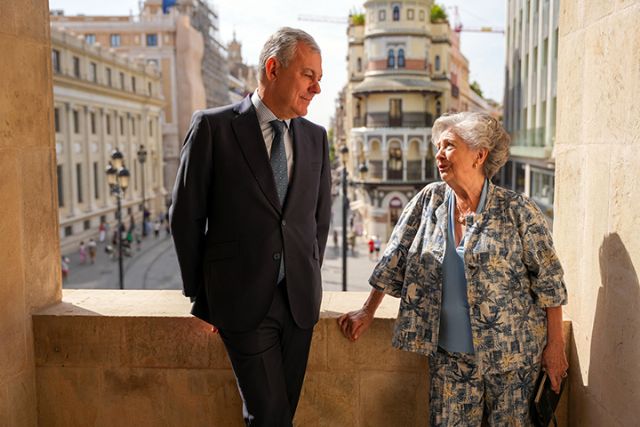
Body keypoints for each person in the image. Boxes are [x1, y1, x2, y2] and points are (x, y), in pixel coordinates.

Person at [338, 112, 568, 426]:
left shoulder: (517, 210)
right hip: (450, 361)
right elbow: (394, 258)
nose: (439, 154)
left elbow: (550, 282)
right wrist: (367, 311)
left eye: (449, 146)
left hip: (514, 361)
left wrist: (555, 346)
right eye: (439, 146)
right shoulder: (429, 200)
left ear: (479, 155)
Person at [170, 27, 330, 426]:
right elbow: (186, 216)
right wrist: (202, 296)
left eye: (320, 79)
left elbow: (319, 220)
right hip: (240, 303)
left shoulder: (316, 138)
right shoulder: (213, 127)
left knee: (279, 414)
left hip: (299, 304)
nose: (317, 88)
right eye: (309, 75)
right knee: (270, 414)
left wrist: (306, 272)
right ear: (274, 68)